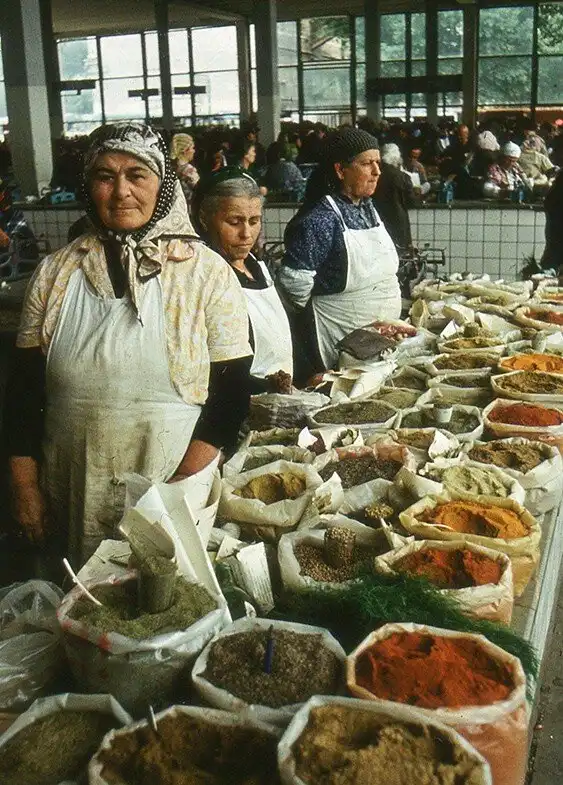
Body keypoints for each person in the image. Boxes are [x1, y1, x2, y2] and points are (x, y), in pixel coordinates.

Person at [6, 122, 252, 569]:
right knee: (80, 596)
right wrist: (24, 487)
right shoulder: (56, 273)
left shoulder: (206, 273)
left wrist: (179, 489)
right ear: (88, 186)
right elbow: (22, 394)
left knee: (167, 592)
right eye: (105, 176)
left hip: (173, 480)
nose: (121, 192)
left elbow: (231, 396)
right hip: (71, 485)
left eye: (137, 175)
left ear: (163, 184)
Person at [279, 128, 401, 377]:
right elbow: (293, 281)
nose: (377, 171)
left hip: (383, 335)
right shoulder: (321, 219)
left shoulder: (366, 207)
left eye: (378, 163)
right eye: (366, 163)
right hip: (342, 337)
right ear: (340, 170)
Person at [193, 168, 293, 393]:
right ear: (204, 219)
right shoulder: (206, 275)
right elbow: (220, 372)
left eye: (254, 221)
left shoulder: (258, 266)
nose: (246, 234)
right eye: (234, 222)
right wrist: (270, 387)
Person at [372, 143, 415, 251]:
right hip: (398, 221)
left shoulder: (374, 175)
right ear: (396, 158)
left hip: (377, 218)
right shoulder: (402, 177)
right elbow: (411, 202)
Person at [169, 133, 199, 207]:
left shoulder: (171, 167)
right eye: (192, 148)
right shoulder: (189, 170)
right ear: (185, 150)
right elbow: (200, 190)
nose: (194, 151)